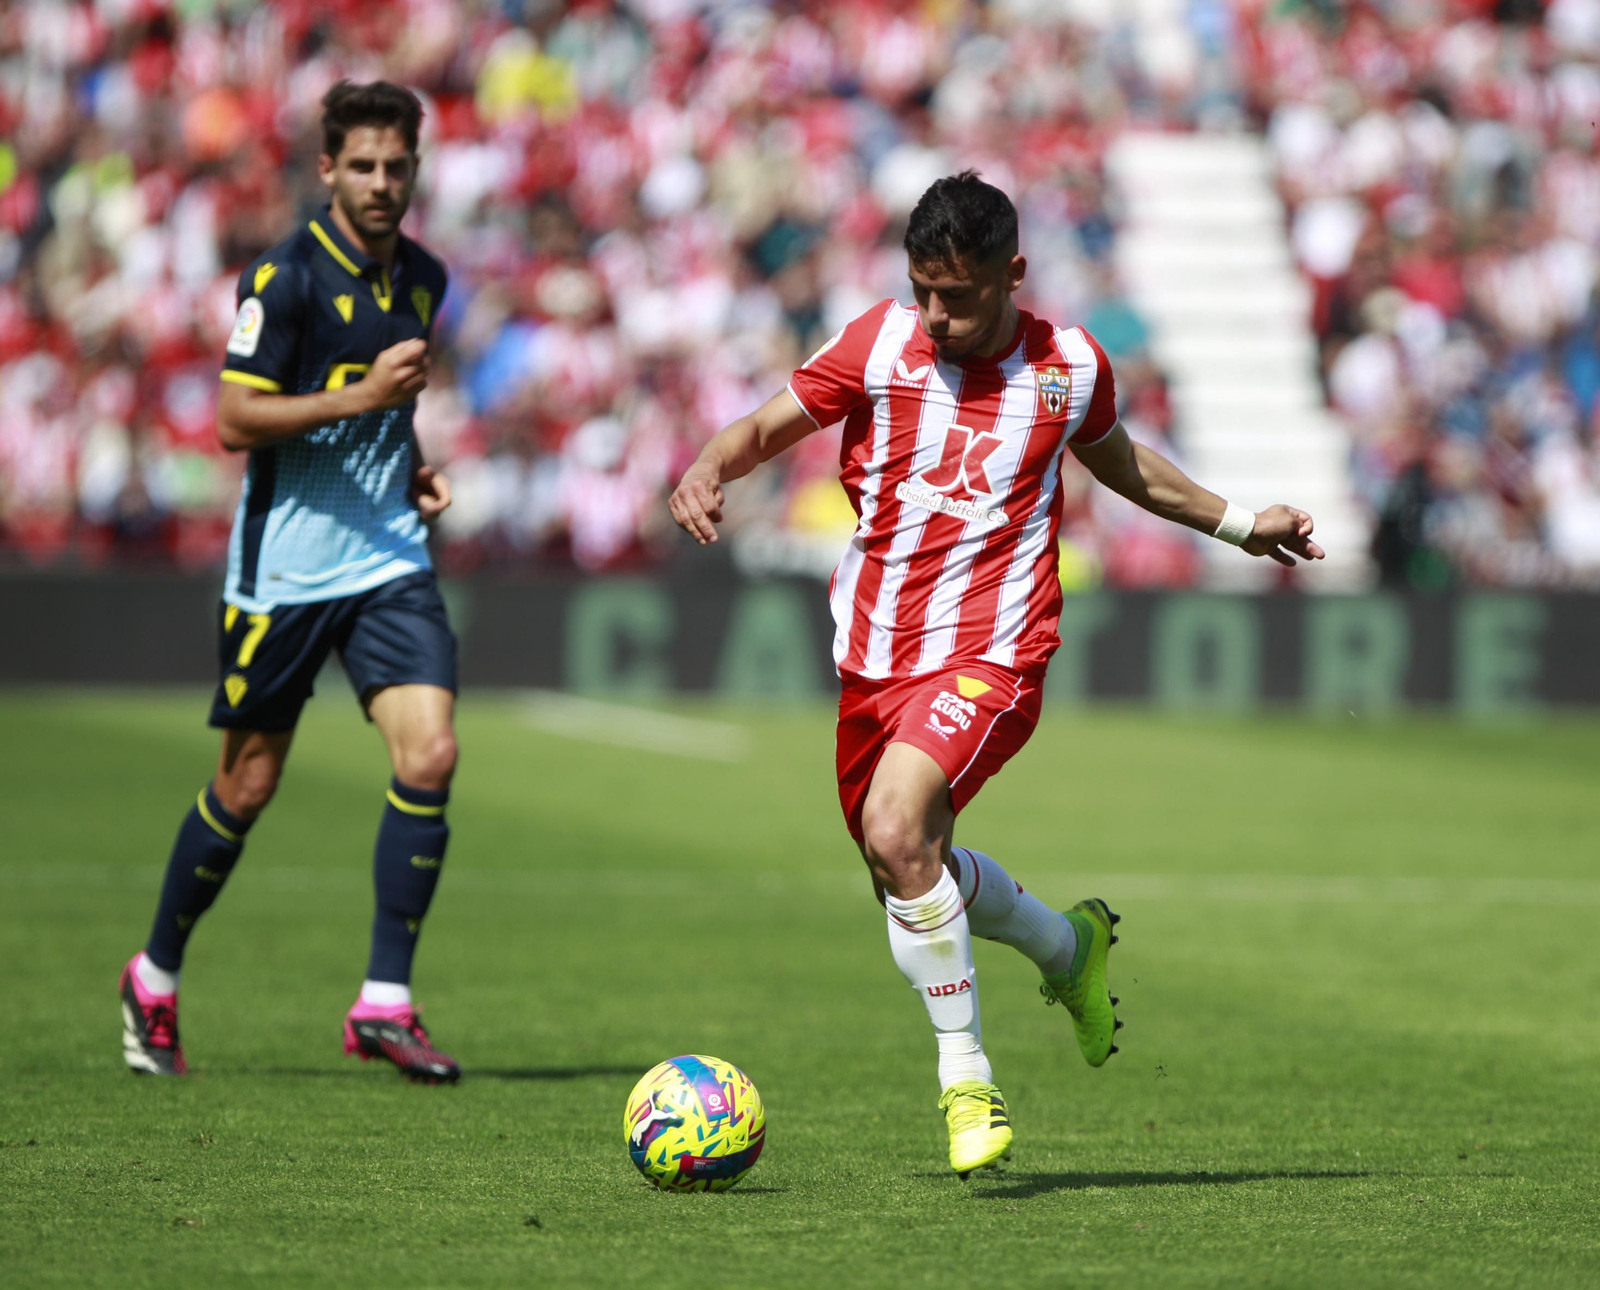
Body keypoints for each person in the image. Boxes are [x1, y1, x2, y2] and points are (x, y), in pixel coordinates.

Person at [668, 172, 1324, 1176]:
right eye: (923, 291)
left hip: (995, 651)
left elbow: (1127, 467)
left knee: (898, 831)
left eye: (958, 295)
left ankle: (966, 1081)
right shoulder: (878, 346)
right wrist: (707, 465)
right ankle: (1066, 948)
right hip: (874, 658)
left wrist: (1240, 524)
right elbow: (763, 428)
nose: (937, 315)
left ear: (1012, 273)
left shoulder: (1069, 368)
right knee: (904, 865)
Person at [119, 81, 463, 1083]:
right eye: (363, 166)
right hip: (288, 570)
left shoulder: (426, 277)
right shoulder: (285, 280)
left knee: (431, 753)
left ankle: (385, 1003)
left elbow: (389, 409)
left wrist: (410, 465)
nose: (382, 182)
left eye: (396, 166)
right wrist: (360, 398)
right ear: (327, 171)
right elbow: (234, 420)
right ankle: (153, 975)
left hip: (388, 556)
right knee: (248, 784)